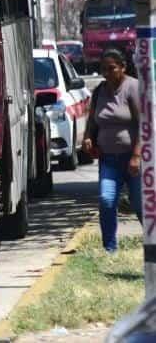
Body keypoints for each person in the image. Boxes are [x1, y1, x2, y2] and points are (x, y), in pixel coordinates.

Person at [83, 48, 142, 252]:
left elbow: (145, 125)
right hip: (108, 159)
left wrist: (136, 155)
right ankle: (110, 249)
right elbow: (92, 120)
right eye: (103, 69)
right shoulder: (100, 90)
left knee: (141, 205)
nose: (107, 73)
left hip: (134, 160)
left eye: (112, 68)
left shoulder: (133, 88)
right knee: (107, 201)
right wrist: (88, 138)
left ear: (123, 67)